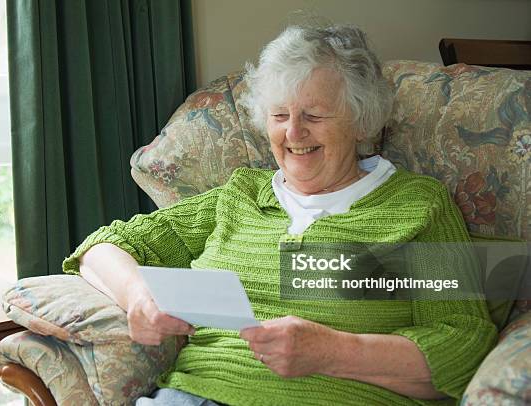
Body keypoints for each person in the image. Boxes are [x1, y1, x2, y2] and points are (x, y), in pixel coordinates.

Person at [63, 24, 497, 406]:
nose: (293, 133)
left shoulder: (417, 206)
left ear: (362, 121)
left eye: (314, 115)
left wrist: (332, 352)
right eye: (280, 115)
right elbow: (102, 248)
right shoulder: (241, 196)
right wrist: (138, 296)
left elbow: (461, 344)